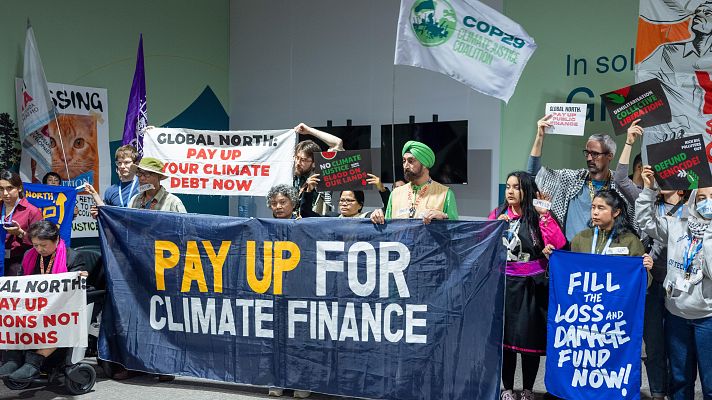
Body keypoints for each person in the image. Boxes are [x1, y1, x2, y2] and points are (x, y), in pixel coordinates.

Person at [615, 119, 688, 400]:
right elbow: (621, 179)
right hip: (652, 283)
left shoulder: (694, 205)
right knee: (655, 345)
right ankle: (658, 392)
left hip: (682, 285)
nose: (663, 176)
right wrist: (630, 141)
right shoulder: (648, 199)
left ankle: (679, 392)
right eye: (661, 172)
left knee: (680, 346)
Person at [636, 166, 712, 400]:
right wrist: (649, 190)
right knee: (679, 379)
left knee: (710, 382)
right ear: (692, 200)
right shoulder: (677, 225)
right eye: (701, 198)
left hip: (707, 318)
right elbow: (645, 221)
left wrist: (707, 235)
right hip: (676, 314)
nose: (706, 203)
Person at [489, 171, 566, 400]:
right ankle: (508, 389)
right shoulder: (498, 214)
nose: (510, 191)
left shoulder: (538, 215)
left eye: (517, 187)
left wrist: (545, 216)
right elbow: (483, 246)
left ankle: (529, 389)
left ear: (527, 191)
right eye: (508, 186)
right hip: (504, 286)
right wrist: (494, 228)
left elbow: (558, 244)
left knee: (529, 341)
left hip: (533, 286)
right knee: (507, 342)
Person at [0, 220, 87, 381]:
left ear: (56, 240)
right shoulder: (29, 256)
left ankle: (34, 363)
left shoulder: (73, 257)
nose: (39, 249)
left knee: (56, 323)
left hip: (60, 308)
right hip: (33, 307)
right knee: (10, 316)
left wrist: (79, 279)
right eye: (35, 245)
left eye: (43, 245)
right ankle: (12, 359)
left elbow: (77, 291)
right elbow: (21, 282)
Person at [528, 115, 634, 242]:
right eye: (587, 153)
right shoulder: (572, 179)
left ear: (609, 156)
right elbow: (534, 174)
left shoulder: (620, 186)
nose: (589, 158)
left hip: (606, 253)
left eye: (595, 154)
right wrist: (540, 136)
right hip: (572, 252)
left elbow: (635, 219)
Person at [371, 140, 457, 224]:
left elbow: (455, 231)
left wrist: (445, 218)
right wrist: (378, 218)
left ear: (424, 164)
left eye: (411, 161)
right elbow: (388, 230)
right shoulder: (395, 194)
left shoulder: (445, 194)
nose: (405, 166)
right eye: (404, 161)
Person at [293, 123, 344, 216]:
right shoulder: (289, 175)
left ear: (314, 163)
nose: (298, 163)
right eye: (296, 158)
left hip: (314, 224)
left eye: (303, 160)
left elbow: (337, 143)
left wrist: (308, 130)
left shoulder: (322, 175)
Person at [1, 170, 43, 276]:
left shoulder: (32, 211)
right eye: (1, 189)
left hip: (18, 262)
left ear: (19, 188)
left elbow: (41, 242)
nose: (5, 193)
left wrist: (20, 233)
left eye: (9, 188)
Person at [87, 145, 139, 217]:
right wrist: (98, 214)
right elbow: (107, 216)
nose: (122, 166)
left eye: (126, 162)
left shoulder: (143, 186)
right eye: (119, 163)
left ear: (136, 164)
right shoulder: (110, 191)